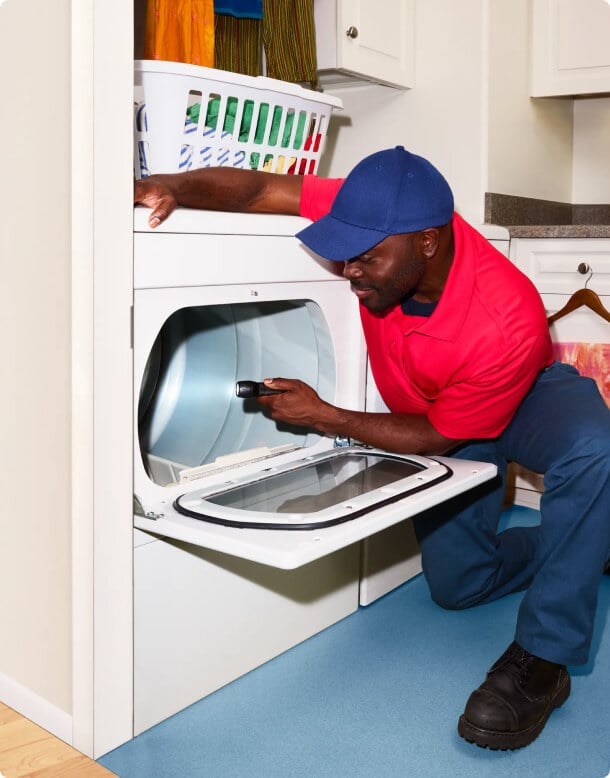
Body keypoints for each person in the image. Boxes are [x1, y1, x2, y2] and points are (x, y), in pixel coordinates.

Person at [134, 147, 610, 751]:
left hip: (518, 396)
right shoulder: (378, 212)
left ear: (428, 244)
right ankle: (590, 546)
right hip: (437, 403)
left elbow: (439, 435)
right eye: (344, 253)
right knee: (458, 587)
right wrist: (165, 185)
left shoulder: (506, 315)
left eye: (365, 259)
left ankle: (544, 661)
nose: (349, 269)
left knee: (596, 447)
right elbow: (256, 191)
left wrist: (323, 414)